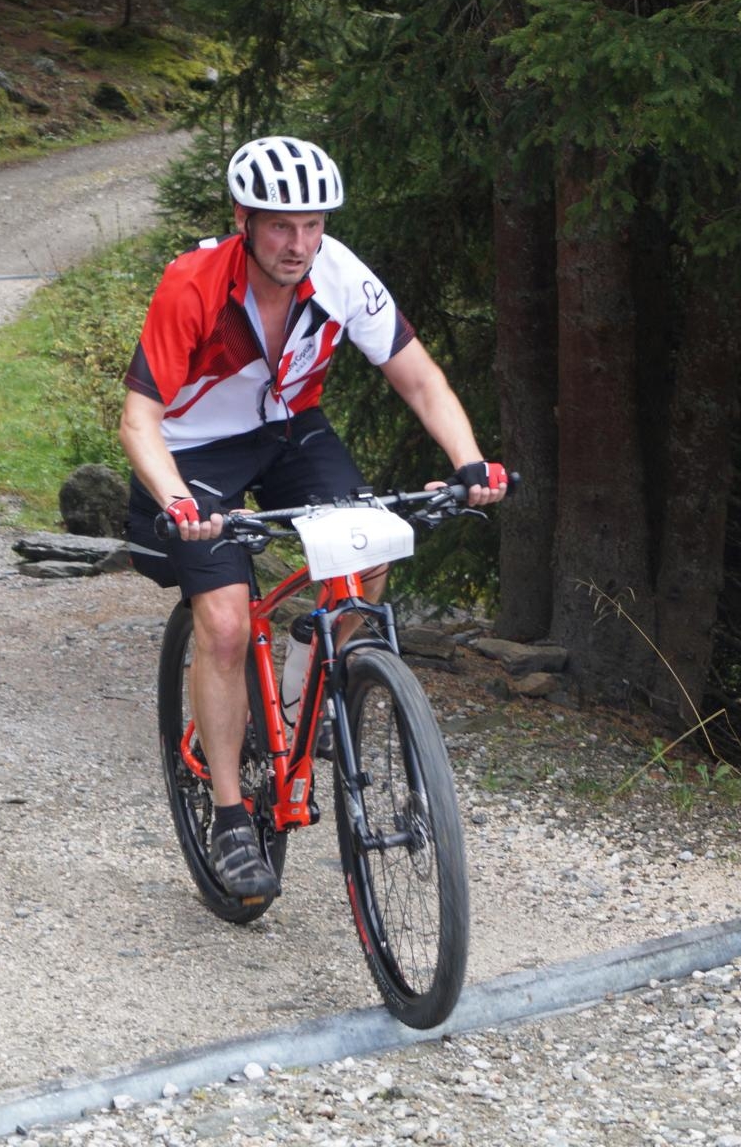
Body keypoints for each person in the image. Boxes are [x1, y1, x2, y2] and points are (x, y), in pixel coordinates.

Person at [118, 135, 507, 899]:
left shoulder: (339, 274)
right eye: (279, 227)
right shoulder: (192, 284)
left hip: (291, 431)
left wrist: (469, 463)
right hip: (193, 449)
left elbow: (419, 379)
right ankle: (230, 816)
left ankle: (308, 680)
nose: (298, 244)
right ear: (244, 222)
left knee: (369, 545)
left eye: (312, 225)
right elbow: (138, 420)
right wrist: (179, 501)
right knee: (224, 622)